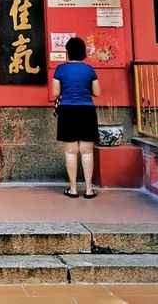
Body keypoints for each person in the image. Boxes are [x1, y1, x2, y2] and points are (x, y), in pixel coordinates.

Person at [52, 36, 101, 198]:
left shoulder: (60, 70)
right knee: (87, 151)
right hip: (87, 111)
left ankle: (73, 189)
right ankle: (88, 189)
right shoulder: (89, 70)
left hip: (67, 111)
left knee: (71, 151)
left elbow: (55, 93)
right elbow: (97, 93)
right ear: (83, 52)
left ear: (68, 53)